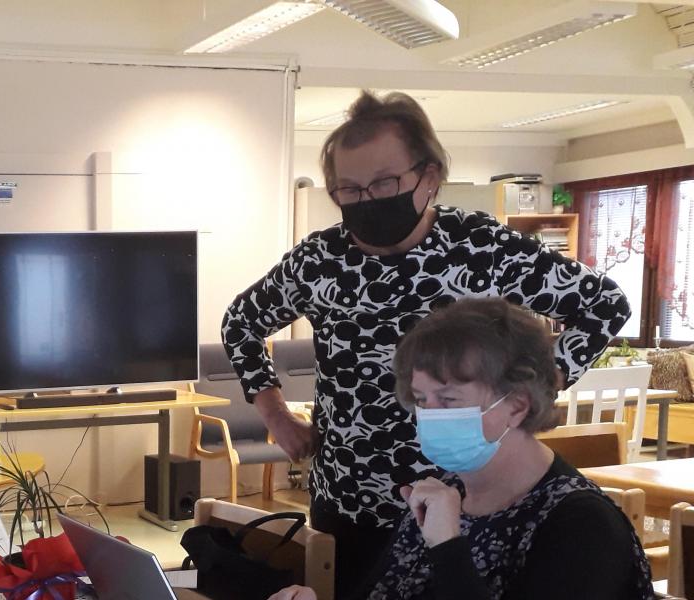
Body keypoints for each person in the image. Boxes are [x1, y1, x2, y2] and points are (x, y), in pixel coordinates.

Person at [222, 90, 630, 593]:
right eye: (348, 189)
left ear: (429, 177)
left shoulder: (480, 247)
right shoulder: (318, 260)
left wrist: (532, 390)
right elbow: (241, 322)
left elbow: (604, 304)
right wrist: (277, 417)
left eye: (384, 183)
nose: (367, 201)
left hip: (469, 505)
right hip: (349, 499)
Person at [269, 298, 653, 599]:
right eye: (422, 399)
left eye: (449, 400)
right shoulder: (445, 491)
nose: (429, 416)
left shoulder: (582, 526)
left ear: (517, 405)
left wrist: (447, 546)